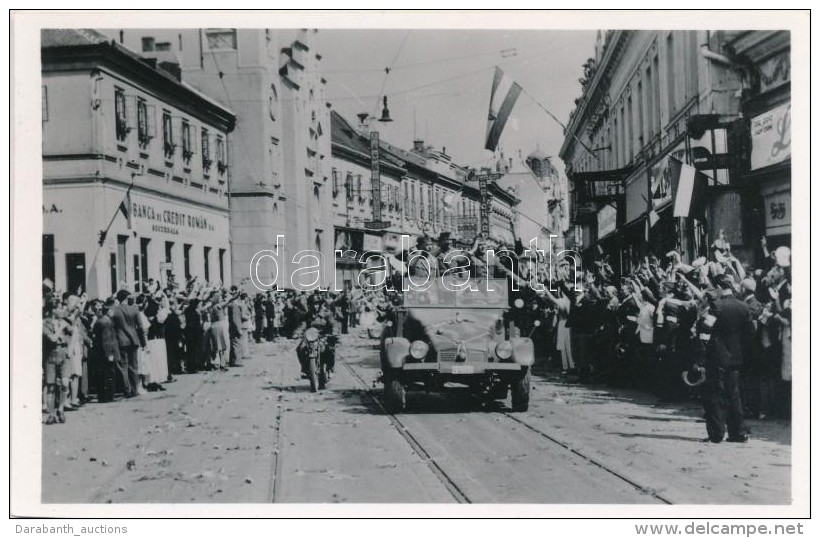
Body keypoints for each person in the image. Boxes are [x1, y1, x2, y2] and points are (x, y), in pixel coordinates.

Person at [702, 274, 755, 443]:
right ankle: (738, 433)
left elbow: (705, 330)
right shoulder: (743, 307)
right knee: (734, 394)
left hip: (717, 357)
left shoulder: (715, 306)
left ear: (718, 287)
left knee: (715, 393)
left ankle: (717, 433)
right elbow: (751, 333)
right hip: (736, 357)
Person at [110, 289, 145, 398]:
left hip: (121, 340)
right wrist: (143, 341)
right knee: (134, 365)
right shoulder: (134, 309)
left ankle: (127, 389)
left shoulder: (115, 310)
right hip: (134, 340)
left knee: (123, 366)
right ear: (126, 298)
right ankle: (135, 389)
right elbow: (140, 327)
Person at [91, 298, 124, 403]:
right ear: (108, 311)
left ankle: (106, 396)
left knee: (105, 374)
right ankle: (108, 396)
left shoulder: (102, 321)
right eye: (112, 310)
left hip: (104, 353)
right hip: (107, 353)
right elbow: (106, 340)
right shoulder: (105, 322)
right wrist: (109, 354)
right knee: (108, 374)